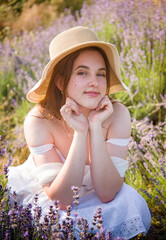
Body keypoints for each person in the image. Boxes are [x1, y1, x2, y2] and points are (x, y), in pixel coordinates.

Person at [7, 26, 151, 239]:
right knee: (54, 220)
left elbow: (106, 193)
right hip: (55, 192)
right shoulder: (38, 121)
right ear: (61, 81)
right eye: (82, 73)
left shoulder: (117, 114)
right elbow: (62, 200)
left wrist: (94, 125)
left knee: (130, 201)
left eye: (100, 74)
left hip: (100, 190)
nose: (94, 82)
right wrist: (80, 133)